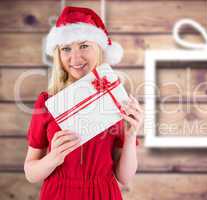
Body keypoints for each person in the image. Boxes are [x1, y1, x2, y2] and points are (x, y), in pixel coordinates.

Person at [24, 6, 143, 200]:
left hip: (103, 194)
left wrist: (131, 136)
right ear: (58, 55)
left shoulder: (115, 99)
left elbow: (125, 177)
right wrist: (53, 159)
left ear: (99, 48)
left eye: (84, 46)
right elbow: (31, 172)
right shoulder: (47, 102)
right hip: (58, 194)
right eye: (66, 49)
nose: (75, 57)